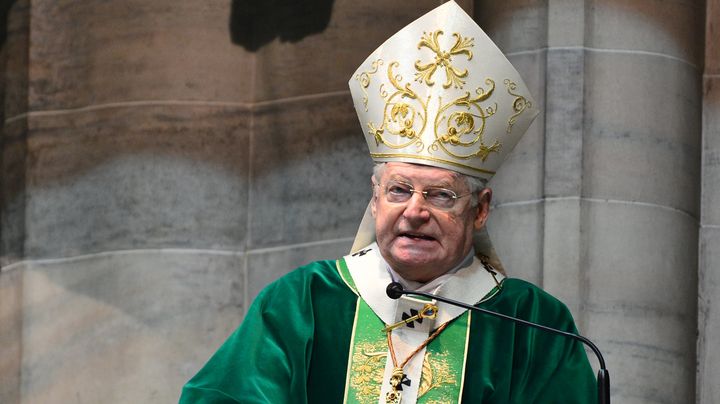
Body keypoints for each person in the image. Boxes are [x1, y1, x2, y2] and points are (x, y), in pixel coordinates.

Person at [180, 2, 597, 403]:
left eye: (440, 195)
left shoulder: (533, 326)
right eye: (399, 190)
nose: (415, 212)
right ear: (375, 198)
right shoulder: (304, 302)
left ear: (481, 209)